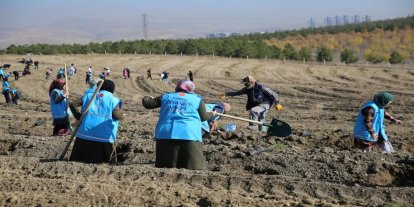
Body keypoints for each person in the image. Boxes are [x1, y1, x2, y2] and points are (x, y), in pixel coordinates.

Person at [142, 79, 213, 170]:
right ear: (191, 89)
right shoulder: (197, 99)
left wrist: (146, 97)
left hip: (166, 133)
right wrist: (212, 114)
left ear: (177, 87)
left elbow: (148, 104)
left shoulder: (166, 97)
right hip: (189, 134)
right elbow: (204, 117)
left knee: (166, 166)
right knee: (193, 166)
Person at [69, 80, 124, 163]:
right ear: (112, 88)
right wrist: (122, 116)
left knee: (79, 159)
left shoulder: (88, 95)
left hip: (84, 134)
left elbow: (72, 104)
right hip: (103, 137)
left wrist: (79, 116)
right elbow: (116, 115)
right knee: (106, 161)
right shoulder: (113, 99)